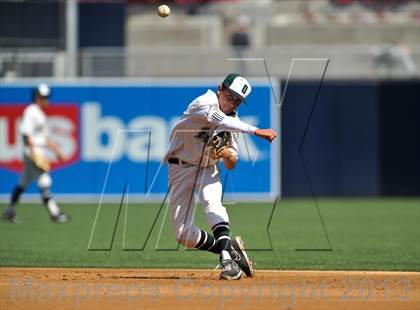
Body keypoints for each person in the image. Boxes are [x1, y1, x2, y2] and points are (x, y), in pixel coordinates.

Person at [165, 73, 277, 280]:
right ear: (220, 88)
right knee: (182, 234)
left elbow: (231, 164)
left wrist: (226, 155)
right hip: (180, 167)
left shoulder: (233, 121)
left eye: (237, 100)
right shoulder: (203, 102)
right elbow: (219, 120)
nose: (232, 102)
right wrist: (256, 131)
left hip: (208, 169)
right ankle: (228, 248)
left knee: (213, 205)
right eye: (230, 95)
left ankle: (227, 260)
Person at [2, 83, 70, 224]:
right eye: (44, 97)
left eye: (47, 97)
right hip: (33, 150)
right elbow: (26, 133)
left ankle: (9, 211)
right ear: (37, 97)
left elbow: (44, 138)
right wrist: (33, 152)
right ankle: (55, 213)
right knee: (44, 180)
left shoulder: (39, 114)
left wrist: (56, 150)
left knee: (24, 182)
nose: (46, 100)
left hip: (35, 149)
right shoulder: (31, 111)